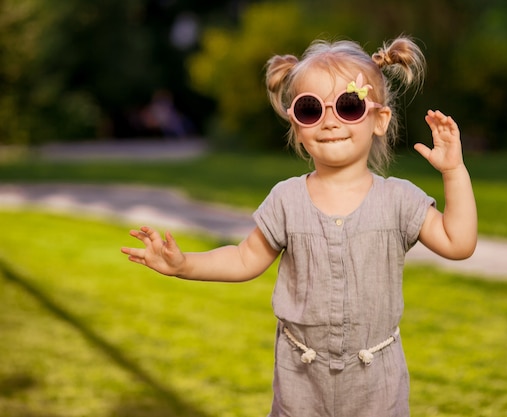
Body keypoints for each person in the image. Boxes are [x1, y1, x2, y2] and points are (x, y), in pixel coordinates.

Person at [121, 35, 477, 417]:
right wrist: (183, 265)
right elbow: (244, 260)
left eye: (348, 106)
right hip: (301, 380)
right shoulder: (286, 200)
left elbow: (459, 242)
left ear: (379, 119)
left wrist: (454, 171)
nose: (329, 122)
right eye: (311, 110)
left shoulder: (399, 200)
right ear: (296, 123)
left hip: (376, 382)